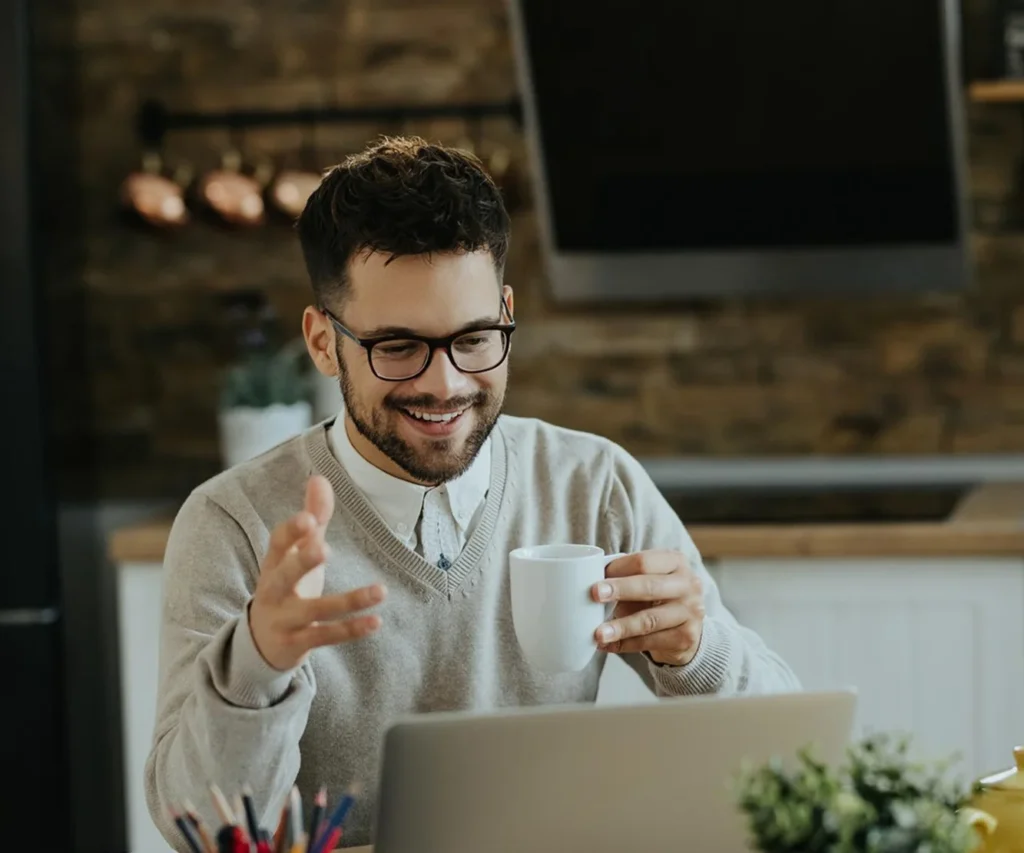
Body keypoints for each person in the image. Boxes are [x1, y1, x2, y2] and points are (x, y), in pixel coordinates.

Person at [145, 136, 801, 850]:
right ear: (323, 342)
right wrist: (256, 664)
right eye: (397, 346)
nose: (445, 383)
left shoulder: (592, 483)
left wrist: (697, 650)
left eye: (475, 336)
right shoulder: (233, 524)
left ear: (507, 310)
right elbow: (199, 830)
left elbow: (791, 758)